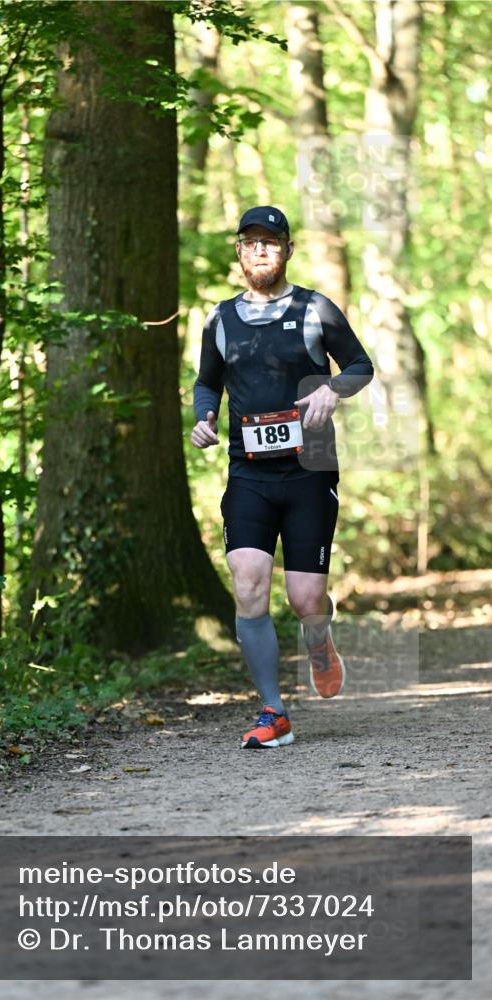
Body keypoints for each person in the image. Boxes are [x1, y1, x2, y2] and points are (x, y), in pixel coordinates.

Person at [191, 206, 374, 749]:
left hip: (310, 470)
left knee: (305, 599)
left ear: (288, 249)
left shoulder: (315, 308)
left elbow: (360, 365)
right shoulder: (221, 320)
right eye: (250, 242)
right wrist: (203, 418)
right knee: (248, 583)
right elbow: (208, 384)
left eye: (271, 242)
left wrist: (330, 389)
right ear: (240, 253)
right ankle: (273, 711)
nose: (260, 250)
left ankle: (318, 640)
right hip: (248, 472)